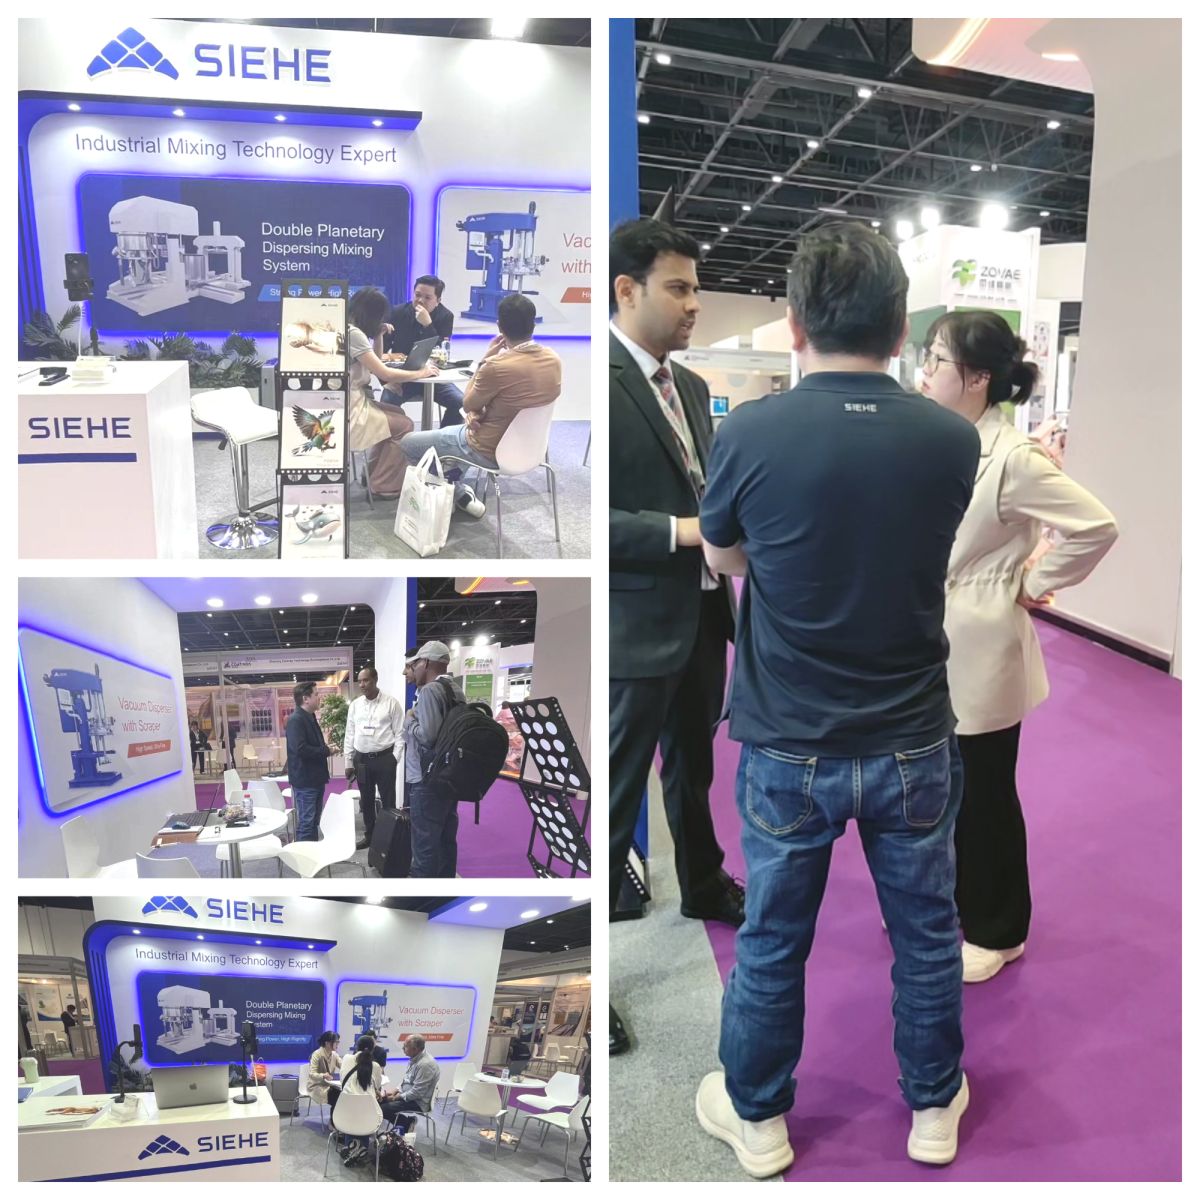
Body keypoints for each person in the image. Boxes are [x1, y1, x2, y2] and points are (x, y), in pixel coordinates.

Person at [693, 222, 982, 1175]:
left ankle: (760, 1119)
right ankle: (932, 1104)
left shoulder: (749, 431)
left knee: (774, 938)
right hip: (913, 736)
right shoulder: (951, 439)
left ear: (792, 323)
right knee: (927, 934)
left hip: (788, 739)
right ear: (900, 330)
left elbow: (725, 556)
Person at [920, 311, 1118, 984]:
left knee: (984, 794)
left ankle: (998, 929)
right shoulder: (941, 441)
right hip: (928, 640)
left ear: (978, 377)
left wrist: (1033, 580)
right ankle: (956, 902)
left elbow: (1095, 526)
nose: (925, 372)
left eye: (937, 359)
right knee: (940, 787)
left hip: (981, 643)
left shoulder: (1013, 457)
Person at [608, 217, 744, 1058]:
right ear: (627, 290)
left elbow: (710, 487)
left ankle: (702, 883)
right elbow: (592, 524)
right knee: (617, 801)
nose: (695, 304)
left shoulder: (688, 386)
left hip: (702, 615)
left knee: (693, 768)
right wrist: (685, 532)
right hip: (634, 622)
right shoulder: (599, 383)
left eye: (696, 288)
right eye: (679, 288)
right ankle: (593, 977)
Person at [399, 293, 561, 519]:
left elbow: (467, 402)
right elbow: (515, 401)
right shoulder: (553, 359)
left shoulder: (496, 365)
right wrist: (479, 412)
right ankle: (457, 489)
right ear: (533, 325)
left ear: (499, 327)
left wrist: (486, 358)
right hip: (533, 449)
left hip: (486, 448)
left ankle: (454, 491)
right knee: (456, 442)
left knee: (408, 443)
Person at [347, 286, 439, 500]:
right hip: (351, 408)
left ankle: (372, 474)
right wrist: (421, 373)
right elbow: (383, 372)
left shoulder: (350, 330)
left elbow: (375, 364)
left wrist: (378, 335)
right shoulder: (354, 334)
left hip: (354, 400)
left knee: (397, 413)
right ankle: (383, 485)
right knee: (404, 425)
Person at [403, 641, 466, 877]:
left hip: (425, 778)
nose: (412, 669)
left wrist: (410, 720)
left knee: (424, 845)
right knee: (446, 841)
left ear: (426, 663)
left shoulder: (430, 690)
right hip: (448, 776)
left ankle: (422, 892)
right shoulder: (455, 689)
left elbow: (428, 737)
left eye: (416, 663)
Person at [380, 275, 466, 426]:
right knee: (386, 403)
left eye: (427, 297)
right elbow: (380, 352)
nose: (420, 301)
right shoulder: (398, 312)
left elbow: (441, 352)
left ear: (438, 300)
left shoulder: (445, 316)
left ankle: (442, 437)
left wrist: (428, 325)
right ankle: (396, 439)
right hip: (403, 377)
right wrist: (386, 381)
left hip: (434, 376)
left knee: (461, 403)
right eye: (417, 295)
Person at [344, 667, 406, 852]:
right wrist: (348, 761)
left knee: (388, 800)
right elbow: (349, 733)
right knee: (366, 800)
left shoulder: (391, 703)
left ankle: (389, 839)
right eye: (360, 681)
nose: (362, 685)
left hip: (384, 759)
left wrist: (395, 758)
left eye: (366, 680)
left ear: (375, 680)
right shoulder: (355, 705)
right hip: (362, 760)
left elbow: (400, 734)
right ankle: (370, 836)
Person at [285, 682, 333, 843]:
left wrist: (325, 749)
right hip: (306, 781)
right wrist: (326, 751)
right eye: (316, 694)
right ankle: (303, 857)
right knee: (307, 823)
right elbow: (301, 749)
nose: (320, 697)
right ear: (306, 699)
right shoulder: (296, 720)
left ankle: (311, 853)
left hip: (315, 779)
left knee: (313, 822)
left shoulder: (309, 717)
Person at [338, 1035, 384, 1167]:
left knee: (352, 1110)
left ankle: (352, 1146)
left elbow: (342, 1080)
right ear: (372, 1049)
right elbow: (378, 1086)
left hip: (342, 1115)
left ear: (356, 1046)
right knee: (367, 1111)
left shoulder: (346, 1059)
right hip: (368, 1118)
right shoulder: (375, 1066)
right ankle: (360, 1148)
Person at [380, 1035, 441, 1133]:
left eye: (405, 1046)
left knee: (382, 1109)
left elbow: (418, 1092)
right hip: (408, 1096)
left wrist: (396, 1098)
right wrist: (395, 1091)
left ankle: (407, 1123)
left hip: (418, 1102)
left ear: (415, 1049)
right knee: (379, 1101)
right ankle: (406, 1123)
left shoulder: (425, 1065)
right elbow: (406, 1080)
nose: (403, 1048)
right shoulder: (415, 1058)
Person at [308, 1030, 343, 1117]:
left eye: (338, 1042)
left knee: (342, 1094)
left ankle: (336, 1120)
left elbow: (343, 1065)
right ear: (327, 1043)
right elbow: (312, 1074)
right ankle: (333, 1121)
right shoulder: (317, 1054)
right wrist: (323, 1075)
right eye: (336, 1042)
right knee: (337, 1096)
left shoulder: (334, 1054)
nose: (337, 1044)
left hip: (329, 1085)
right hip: (317, 1085)